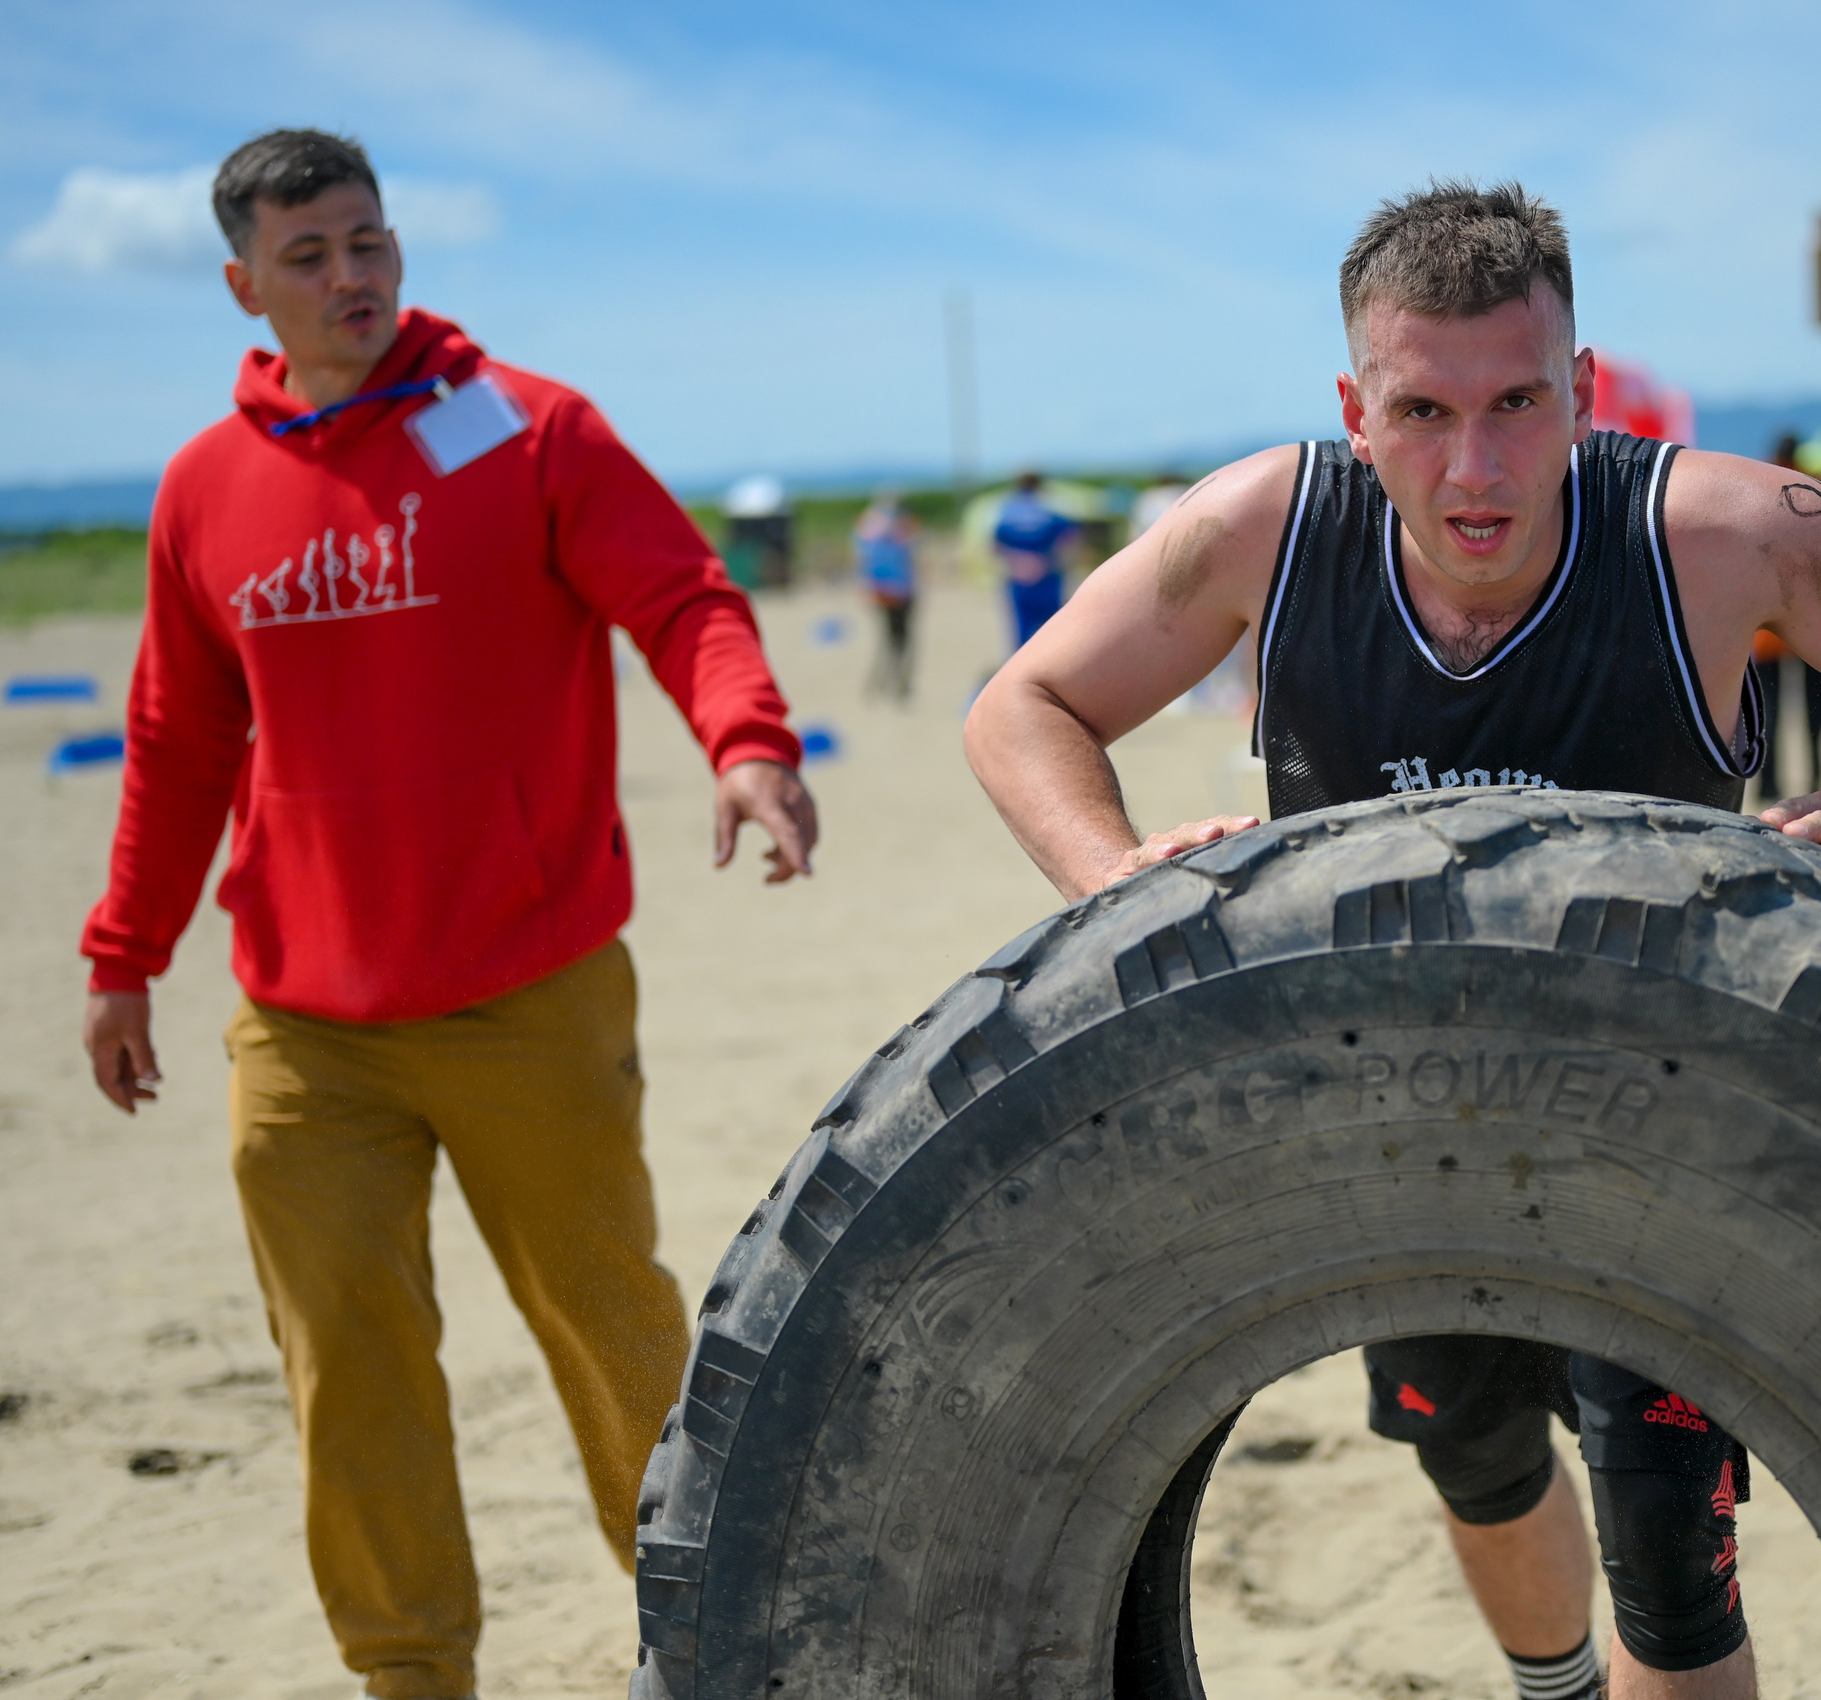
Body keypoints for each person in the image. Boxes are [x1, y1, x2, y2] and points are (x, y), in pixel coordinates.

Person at [962, 181, 1821, 1700]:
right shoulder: (1268, 526)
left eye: (1519, 400)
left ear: (1579, 386)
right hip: (1392, 1133)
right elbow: (1020, 707)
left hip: (1665, 1134)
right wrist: (1116, 880)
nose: (1477, 463)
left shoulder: (1710, 531)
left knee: (1676, 1584)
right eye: (1423, 410)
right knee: (1475, 1458)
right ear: (1356, 409)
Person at [76, 130, 819, 1700]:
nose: (350, 276)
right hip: (302, 1023)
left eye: (369, 241)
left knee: (613, 1333)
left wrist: (747, 742)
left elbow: (682, 597)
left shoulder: (528, 429)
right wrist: (123, 955)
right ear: (242, 284)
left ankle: (712, 1634)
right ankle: (411, 1673)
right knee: (350, 1375)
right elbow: (177, 736)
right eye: (310, 255)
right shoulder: (206, 488)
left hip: (526, 988)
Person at [1747, 432, 1821, 803]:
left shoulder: (1756, 486)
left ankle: (1769, 782)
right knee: (1814, 706)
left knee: (1769, 712)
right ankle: (1815, 773)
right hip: (1813, 622)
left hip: (1767, 625)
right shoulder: (1817, 489)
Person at [993, 470, 1077, 646]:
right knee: (1052, 628)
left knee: (1021, 629)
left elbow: (996, 544)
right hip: (1047, 574)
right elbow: (1070, 537)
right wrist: (1049, 560)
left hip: (1019, 576)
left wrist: (1019, 561)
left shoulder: (1008, 510)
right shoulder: (1050, 506)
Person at [855, 489, 921, 700]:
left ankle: (878, 683)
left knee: (884, 636)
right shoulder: (904, 522)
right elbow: (913, 552)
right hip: (901, 587)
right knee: (902, 637)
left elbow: (862, 554)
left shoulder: (869, 522)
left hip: (879, 588)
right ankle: (899, 683)